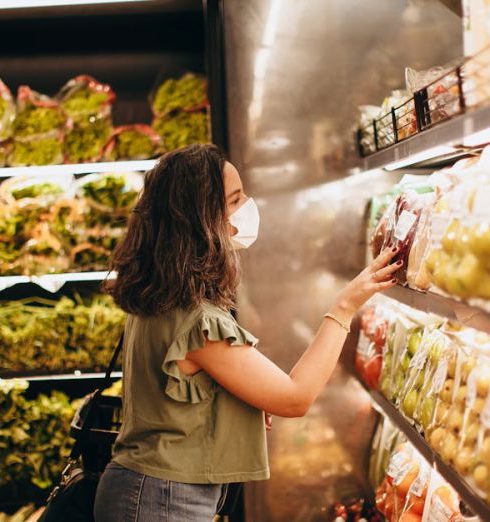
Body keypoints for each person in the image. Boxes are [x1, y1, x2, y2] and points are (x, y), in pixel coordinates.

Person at [94, 143, 401, 522]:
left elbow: (182, 396)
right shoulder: (198, 319)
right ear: (201, 219)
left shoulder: (160, 297)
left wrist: (234, 408)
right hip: (160, 498)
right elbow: (295, 399)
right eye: (235, 200)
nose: (248, 208)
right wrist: (344, 306)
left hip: (146, 489)